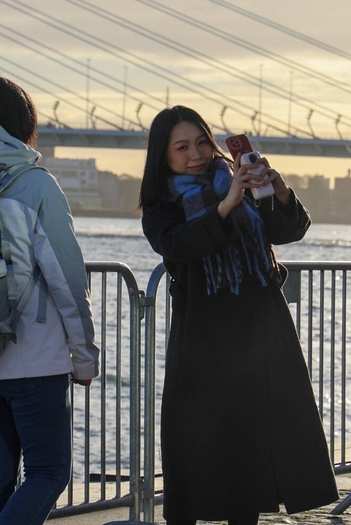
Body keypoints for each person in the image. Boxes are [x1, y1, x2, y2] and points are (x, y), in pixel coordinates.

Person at [138, 106, 338, 525]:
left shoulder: (236, 182)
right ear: (163, 156)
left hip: (260, 333)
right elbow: (180, 245)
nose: (195, 154)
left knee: (251, 450)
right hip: (204, 340)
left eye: (202, 143)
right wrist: (226, 206)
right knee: (196, 446)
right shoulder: (162, 205)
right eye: (182, 147)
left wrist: (278, 190)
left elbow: (288, 231)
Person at [0, 76, 100, 525]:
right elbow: (67, 278)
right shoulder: (36, 185)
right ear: (22, 123)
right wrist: (84, 356)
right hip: (32, 362)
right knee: (48, 473)